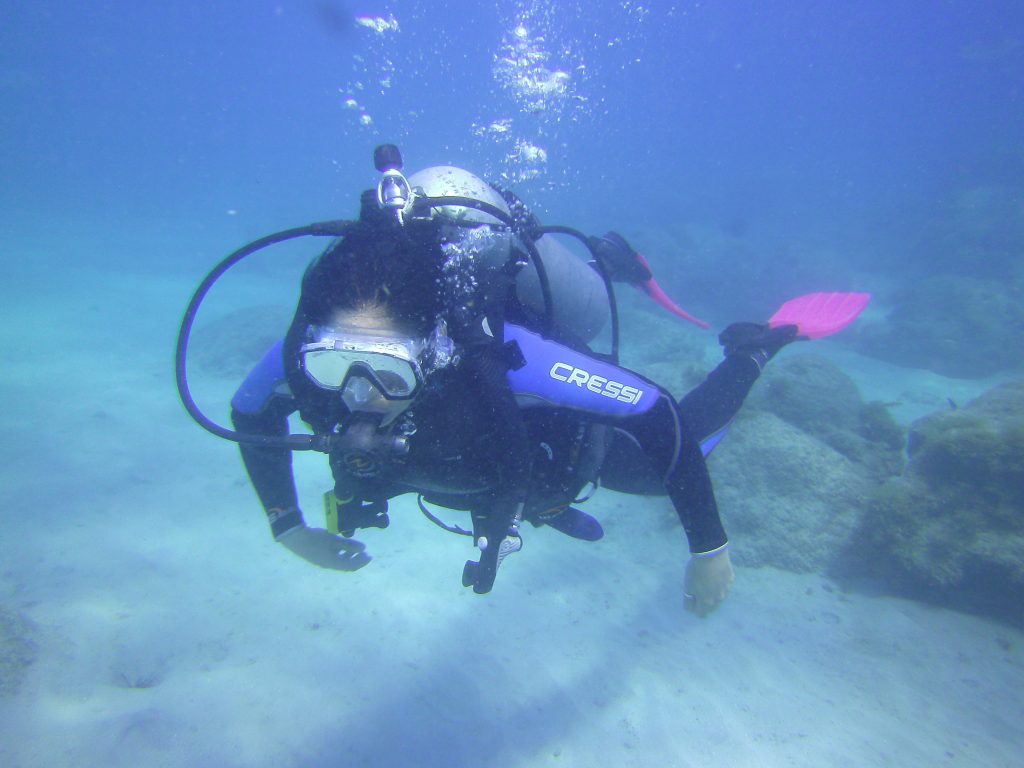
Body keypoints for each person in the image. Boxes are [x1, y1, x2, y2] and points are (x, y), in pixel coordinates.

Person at [228, 155, 798, 614]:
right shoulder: (305, 355)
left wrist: (709, 548)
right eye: (335, 367)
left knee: (670, 461)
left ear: (434, 357)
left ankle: (752, 349)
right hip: (471, 464)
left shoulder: (504, 358)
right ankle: (605, 263)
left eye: (389, 372)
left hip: (544, 442)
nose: (358, 394)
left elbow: (655, 410)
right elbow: (249, 410)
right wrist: (287, 526)